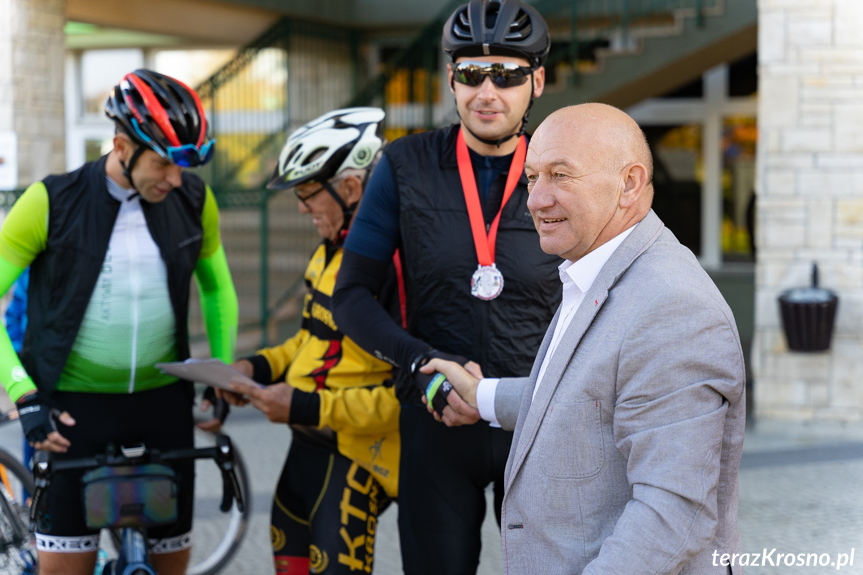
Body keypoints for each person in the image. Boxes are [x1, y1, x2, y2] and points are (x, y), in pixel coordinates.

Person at [423, 103, 747, 574]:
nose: (535, 200)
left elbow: (672, 516)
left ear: (629, 184)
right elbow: (588, 399)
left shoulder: (672, 308)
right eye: (532, 178)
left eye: (560, 175)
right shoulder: (600, 268)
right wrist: (483, 396)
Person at [330, 1, 562, 573]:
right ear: (451, 80)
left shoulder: (565, 169)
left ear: (536, 81)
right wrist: (423, 360)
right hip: (436, 418)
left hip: (539, 421)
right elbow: (352, 295)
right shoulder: (404, 165)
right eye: (470, 74)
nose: (487, 91)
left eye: (506, 75)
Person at [0, 69, 238, 575]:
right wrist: (23, 394)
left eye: (183, 166)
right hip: (70, 414)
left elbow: (217, 289)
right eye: (162, 164)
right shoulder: (50, 201)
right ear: (121, 145)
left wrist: (222, 374)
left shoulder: (194, 200)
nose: (175, 180)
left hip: (162, 408)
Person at [226, 108, 400, 575]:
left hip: (356, 457)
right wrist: (253, 369)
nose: (302, 208)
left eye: (307, 194)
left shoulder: (395, 266)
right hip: (303, 450)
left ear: (350, 188)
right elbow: (310, 340)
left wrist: (306, 406)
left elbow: (407, 401)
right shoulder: (330, 249)